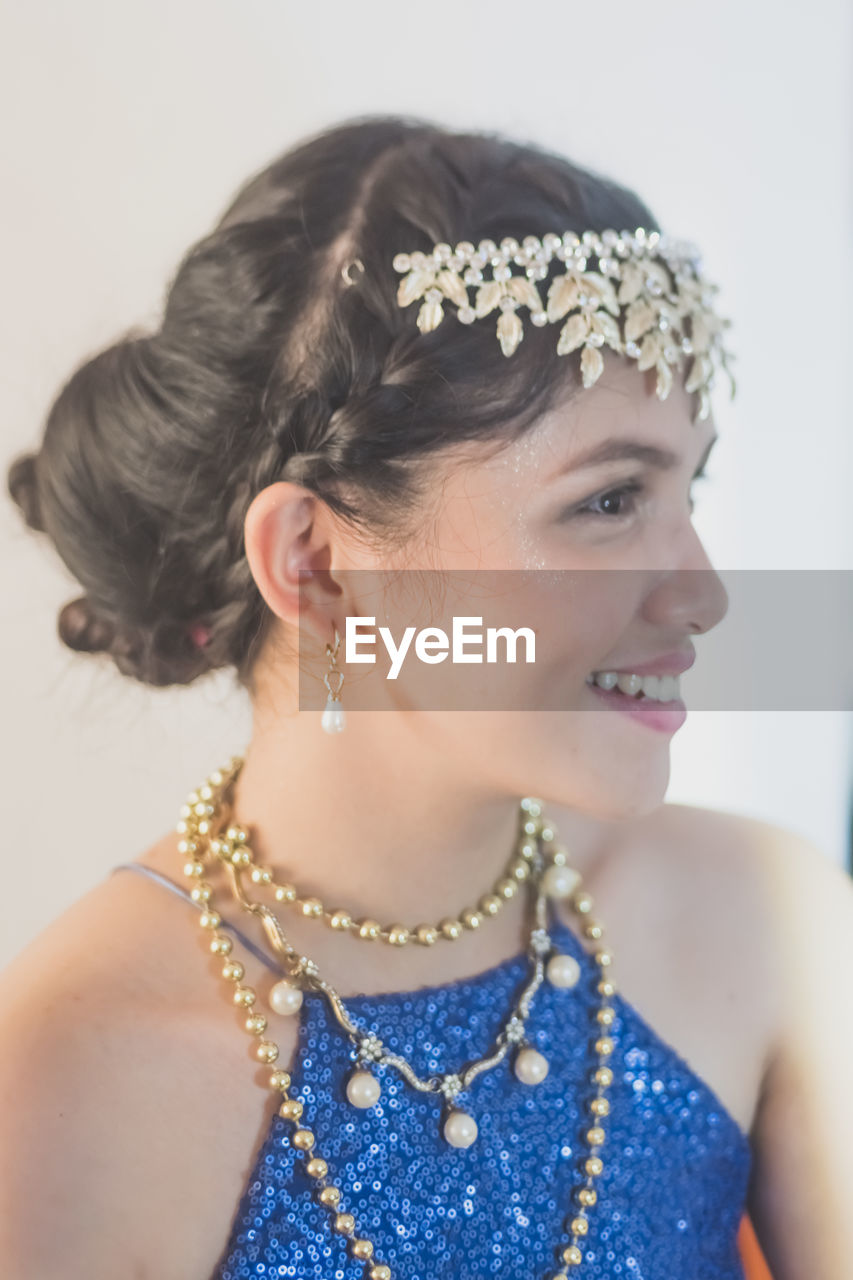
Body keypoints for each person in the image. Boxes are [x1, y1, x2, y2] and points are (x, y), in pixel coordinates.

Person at [2, 115, 851, 1280]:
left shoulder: (766, 923)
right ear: (317, 562)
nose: (701, 593)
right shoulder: (83, 1064)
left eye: (685, 488)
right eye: (609, 502)